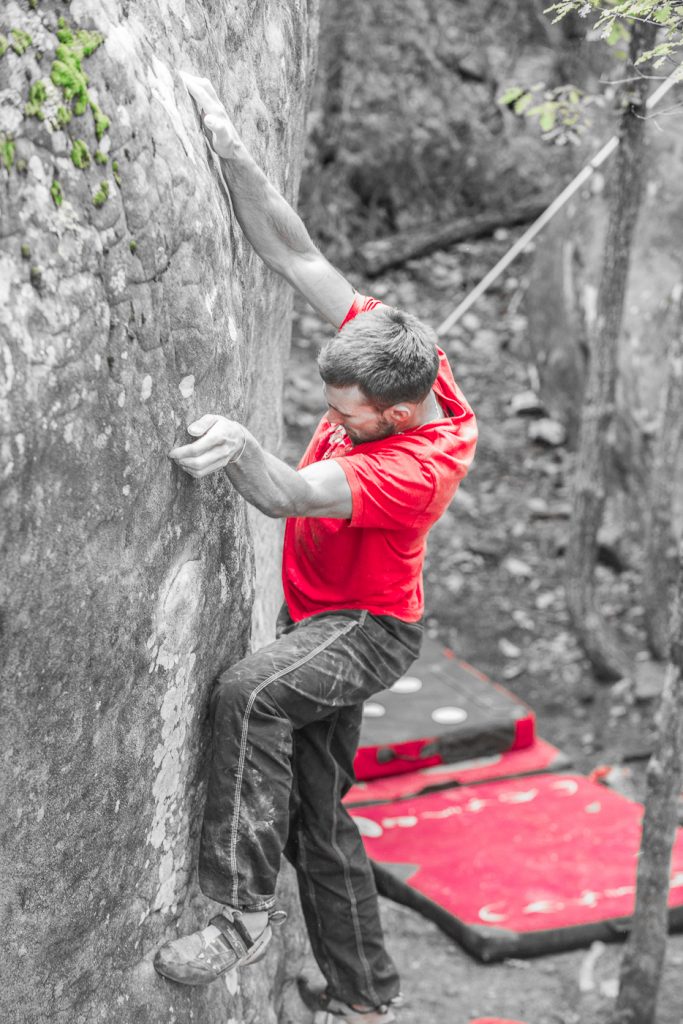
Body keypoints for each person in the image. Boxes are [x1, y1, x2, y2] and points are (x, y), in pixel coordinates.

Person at [154, 72, 478, 1024]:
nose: (328, 419)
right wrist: (226, 144)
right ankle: (363, 994)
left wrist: (244, 446)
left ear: (398, 411)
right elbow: (297, 255)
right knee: (318, 814)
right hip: (323, 615)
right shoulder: (396, 353)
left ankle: (240, 910)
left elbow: (289, 495)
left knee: (250, 693)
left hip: (366, 627)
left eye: (345, 415)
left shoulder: (418, 465)